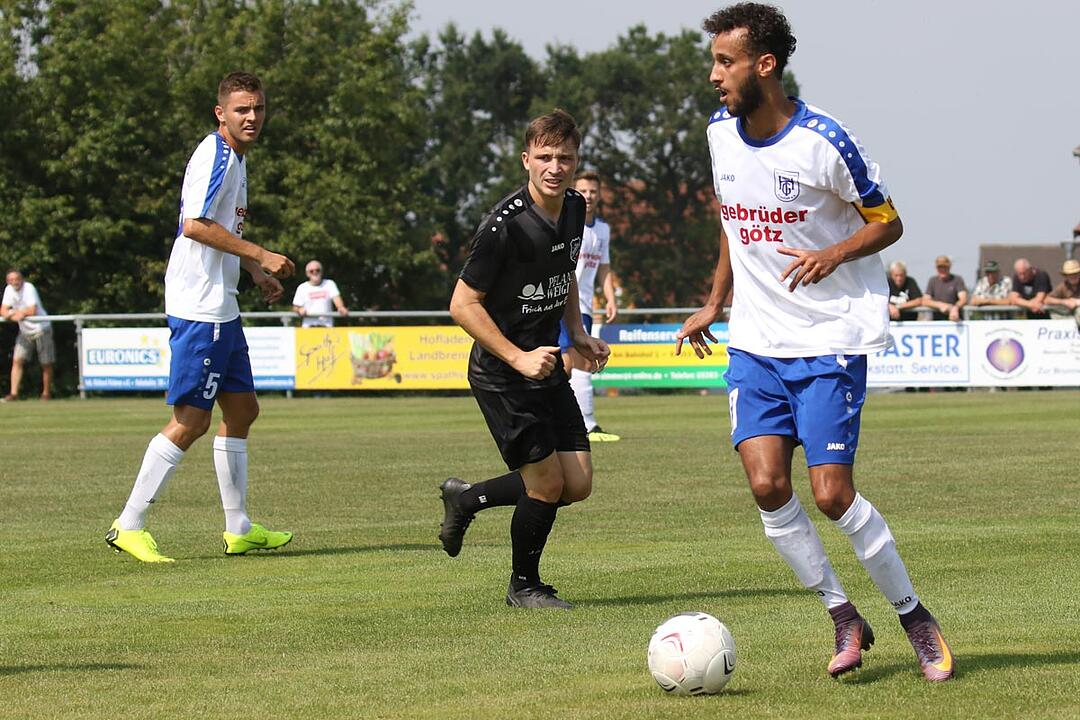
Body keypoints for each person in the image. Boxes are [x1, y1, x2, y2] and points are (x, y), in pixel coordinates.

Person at [676, 3, 953, 681]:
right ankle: (841, 613)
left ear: (763, 66)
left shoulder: (826, 140)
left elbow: (888, 221)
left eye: (724, 61)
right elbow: (732, 221)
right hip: (755, 344)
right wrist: (715, 301)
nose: (713, 75)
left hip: (827, 340)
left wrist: (832, 253)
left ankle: (915, 617)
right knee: (768, 485)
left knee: (831, 495)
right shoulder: (719, 132)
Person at [105, 71, 296, 563]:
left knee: (243, 411)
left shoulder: (237, 159)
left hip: (223, 308)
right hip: (200, 307)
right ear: (222, 114)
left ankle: (239, 528)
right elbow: (193, 224)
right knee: (190, 420)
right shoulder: (215, 154)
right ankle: (129, 523)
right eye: (241, 110)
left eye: (257, 108)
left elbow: (222, 226)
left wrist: (254, 270)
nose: (251, 117)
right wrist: (261, 251)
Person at [438, 109, 610, 609]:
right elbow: (461, 304)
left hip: (549, 362)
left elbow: (566, 271)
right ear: (526, 160)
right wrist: (516, 358)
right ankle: (524, 586)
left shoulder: (576, 207)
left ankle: (467, 498)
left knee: (576, 484)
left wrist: (577, 332)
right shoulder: (502, 228)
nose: (555, 167)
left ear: (576, 162)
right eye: (545, 157)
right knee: (547, 481)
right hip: (502, 373)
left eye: (565, 158)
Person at [558, 171, 620, 442]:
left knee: (574, 364)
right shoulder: (567, 223)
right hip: (563, 303)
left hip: (583, 304)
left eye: (593, 191)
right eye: (583, 190)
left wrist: (610, 298)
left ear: (599, 194)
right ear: (574, 191)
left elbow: (604, 267)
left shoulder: (602, 229)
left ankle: (573, 425)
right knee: (573, 363)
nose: (589, 195)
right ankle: (586, 426)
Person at [1, 270, 55, 401]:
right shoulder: (9, 290)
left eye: (17, 279)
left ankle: (46, 393)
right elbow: (3, 310)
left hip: (41, 328)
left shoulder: (29, 288)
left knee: (46, 363)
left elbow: (32, 310)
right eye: (11, 280)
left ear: (22, 279)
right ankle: (14, 394)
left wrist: (16, 313)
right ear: (8, 281)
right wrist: (13, 314)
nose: (15, 282)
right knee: (17, 360)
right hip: (25, 331)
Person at [292, 260, 348, 327]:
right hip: (309, 327)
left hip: (326, 327)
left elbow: (337, 299)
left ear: (321, 272)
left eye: (317, 270)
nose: (315, 272)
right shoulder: (302, 287)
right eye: (311, 271)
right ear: (307, 274)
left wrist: (341, 307)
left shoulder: (330, 284)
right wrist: (299, 310)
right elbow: (295, 307)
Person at [922, 255, 967, 321]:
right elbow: (925, 301)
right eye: (940, 267)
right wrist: (940, 305)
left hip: (955, 320)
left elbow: (963, 299)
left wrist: (954, 308)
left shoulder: (957, 279)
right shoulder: (932, 280)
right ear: (936, 268)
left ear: (949, 267)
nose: (942, 269)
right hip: (937, 322)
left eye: (945, 267)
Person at [1044, 258, 1080, 323]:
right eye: (1070, 274)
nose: (1073, 276)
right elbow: (1047, 299)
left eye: (1075, 273)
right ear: (1065, 276)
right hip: (1069, 319)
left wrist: (1076, 302)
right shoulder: (1063, 286)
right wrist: (1065, 302)